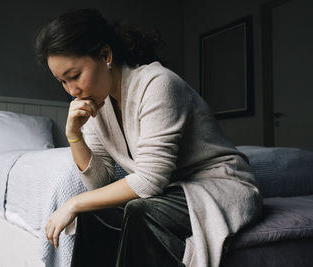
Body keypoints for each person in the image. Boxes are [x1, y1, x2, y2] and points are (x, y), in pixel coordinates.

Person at [34, 9, 262, 267]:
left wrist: (73, 203)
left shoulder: (157, 84)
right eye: (62, 81)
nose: (72, 91)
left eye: (75, 76)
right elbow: (99, 184)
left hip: (218, 187)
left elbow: (150, 181)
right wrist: (74, 135)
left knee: (137, 210)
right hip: (170, 192)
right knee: (91, 212)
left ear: (105, 55)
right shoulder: (97, 103)